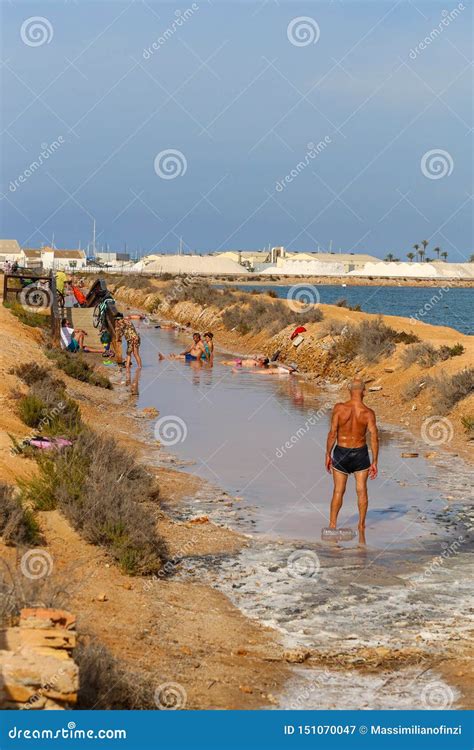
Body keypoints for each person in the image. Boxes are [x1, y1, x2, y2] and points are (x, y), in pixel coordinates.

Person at [325, 378, 378, 534]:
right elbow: (374, 437)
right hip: (360, 453)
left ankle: (333, 525)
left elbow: (332, 433)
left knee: (338, 491)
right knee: (362, 490)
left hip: (341, 451)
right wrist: (375, 461)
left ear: (349, 391)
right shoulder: (368, 413)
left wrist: (328, 454)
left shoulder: (339, 408)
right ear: (363, 392)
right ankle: (361, 527)